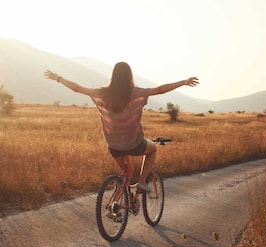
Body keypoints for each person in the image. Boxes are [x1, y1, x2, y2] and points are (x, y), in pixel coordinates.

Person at [44, 62, 199, 192]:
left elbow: (77, 88)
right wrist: (183, 82)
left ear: (113, 76)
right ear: (129, 77)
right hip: (134, 144)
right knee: (152, 149)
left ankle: (116, 204)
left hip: (113, 145)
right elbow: (159, 90)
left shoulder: (101, 93)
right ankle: (142, 182)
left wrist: (58, 78)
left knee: (127, 173)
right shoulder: (136, 93)